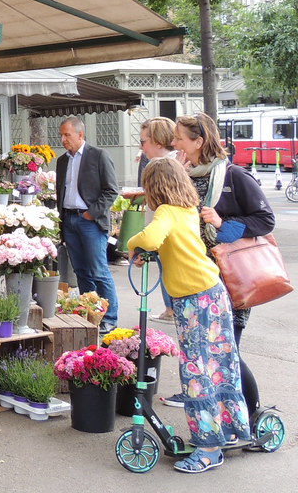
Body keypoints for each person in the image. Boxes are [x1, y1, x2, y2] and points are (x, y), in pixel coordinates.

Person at [127, 156, 251, 473]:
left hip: (195, 299)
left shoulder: (167, 211)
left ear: (155, 189)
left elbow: (152, 237)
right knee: (220, 365)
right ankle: (232, 430)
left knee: (196, 371)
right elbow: (171, 245)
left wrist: (132, 243)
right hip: (213, 292)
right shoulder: (186, 210)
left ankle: (209, 449)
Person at [164, 112, 273, 423]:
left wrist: (223, 224)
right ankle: (223, 418)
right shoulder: (185, 174)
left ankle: (252, 416)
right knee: (207, 357)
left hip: (230, 279)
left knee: (228, 354)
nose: (174, 143)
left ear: (198, 141)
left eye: (179, 138)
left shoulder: (234, 177)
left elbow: (265, 220)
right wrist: (177, 177)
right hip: (196, 279)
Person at [56, 116, 120, 334]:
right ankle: (89, 312)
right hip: (69, 221)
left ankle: (109, 318)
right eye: (62, 135)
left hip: (89, 221)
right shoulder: (62, 161)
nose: (63, 139)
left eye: (67, 135)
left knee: (98, 271)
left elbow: (111, 190)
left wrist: (91, 214)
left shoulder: (98, 155)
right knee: (81, 272)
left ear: (80, 134)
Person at [139, 117, 183, 320]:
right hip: (163, 231)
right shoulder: (171, 161)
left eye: (144, 141)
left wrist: (139, 245)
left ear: (157, 141)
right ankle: (172, 309)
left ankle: (172, 309)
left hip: (166, 232)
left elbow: (165, 204)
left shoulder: (166, 165)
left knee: (169, 271)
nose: (142, 147)